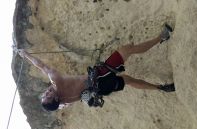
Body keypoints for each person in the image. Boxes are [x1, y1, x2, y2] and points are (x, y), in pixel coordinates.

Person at [18, 24, 175, 111]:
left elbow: (66, 103)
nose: (47, 92)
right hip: (99, 76)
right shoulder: (56, 81)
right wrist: (25, 55)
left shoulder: (62, 104)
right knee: (126, 50)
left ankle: (161, 88)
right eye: (48, 95)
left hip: (100, 89)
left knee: (127, 80)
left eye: (44, 94)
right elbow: (42, 66)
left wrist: (86, 99)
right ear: (56, 98)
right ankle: (161, 37)